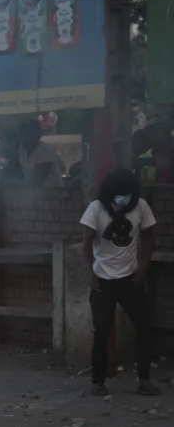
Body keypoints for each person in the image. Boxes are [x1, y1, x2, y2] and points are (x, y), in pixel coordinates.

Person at [80, 168, 159, 397]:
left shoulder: (140, 206)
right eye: (119, 194)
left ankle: (144, 380)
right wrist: (90, 272)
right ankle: (98, 381)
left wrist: (144, 265)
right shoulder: (96, 208)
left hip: (130, 279)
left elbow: (149, 235)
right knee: (102, 330)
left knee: (144, 326)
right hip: (103, 281)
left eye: (127, 194)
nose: (123, 198)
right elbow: (86, 243)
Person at [19, 119, 66, 185]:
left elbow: (38, 182)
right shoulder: (22, 149)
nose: (26, 136)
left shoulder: (44, 150)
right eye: (24, 132)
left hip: (52, 190)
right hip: (30, 190)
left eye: (30, 133)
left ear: (38, 135)